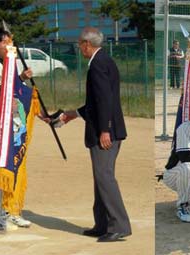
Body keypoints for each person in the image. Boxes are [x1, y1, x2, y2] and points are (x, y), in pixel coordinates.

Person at [48, 28, 130, 242]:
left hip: (106, 132)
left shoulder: (98, 64)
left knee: (105, 176)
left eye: (79, 43)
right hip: (108, 128)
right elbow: (96, 102)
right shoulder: (103, 60)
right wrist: (73, 114)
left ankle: (118, 226)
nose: (78, 47)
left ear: (86, 43)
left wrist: (105, 129)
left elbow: (105, 100)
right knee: (100, 177)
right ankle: (102, 224)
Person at [0, 27, 35, 231]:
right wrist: (18, 78)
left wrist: (21, 79)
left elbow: (16, 92)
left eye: (9, 40)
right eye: (3, 41)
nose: (8, 44)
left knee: (15, 163)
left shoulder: (11, 64)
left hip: (14, 120)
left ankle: (13, 210)